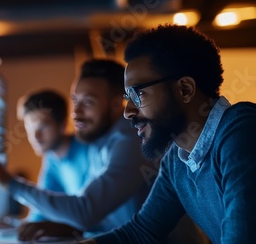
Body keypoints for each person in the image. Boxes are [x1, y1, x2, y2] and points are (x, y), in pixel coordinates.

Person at [80, 24, 256, 244]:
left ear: (185, 89)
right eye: (127, 97)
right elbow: (141, 231)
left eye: (138, 94)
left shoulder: (241, 129)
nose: (128, 112)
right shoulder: (177, 160)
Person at [0, 59, 159, 241]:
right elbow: (104, 220)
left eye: (88, 102)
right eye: (75, 101)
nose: (75, 112)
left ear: (117, 104)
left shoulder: (133, 137)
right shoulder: (97, 142)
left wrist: (11, 183)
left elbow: (85, 211)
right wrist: (69, 229)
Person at [16, 90, 92, 223]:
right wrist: (16, 226)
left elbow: (89, 213)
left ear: (62, 125)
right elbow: (42, 210)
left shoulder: (88, 151)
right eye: (29, 128)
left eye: (43, 126)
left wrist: (11, 183)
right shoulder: (51, 159)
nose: (35, 137)